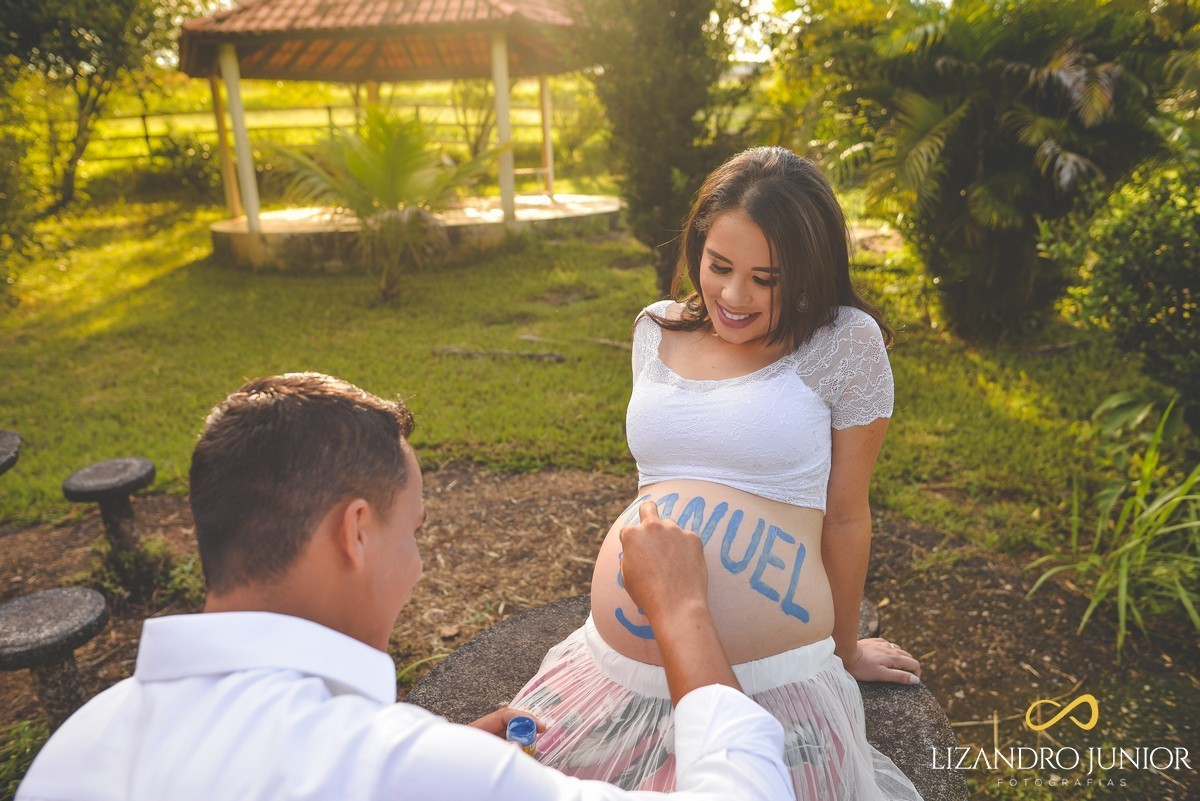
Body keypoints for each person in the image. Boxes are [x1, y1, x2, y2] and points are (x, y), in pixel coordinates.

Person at [17, 373, 795, 801]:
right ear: (354, 531)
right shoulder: (396, 766)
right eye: (413, 530)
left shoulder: (78, 744)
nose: (419, 563)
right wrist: (685, 612)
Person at [509, 147, 925, 800]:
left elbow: (846, 513)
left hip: (772, 689)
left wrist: (846, 648)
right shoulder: (656, 326)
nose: (734, 295)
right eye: (719, 265)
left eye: (768, 277)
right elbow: (657, 481)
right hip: (611, 671)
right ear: (697, 247)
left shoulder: (844, 343)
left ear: (810, 271)